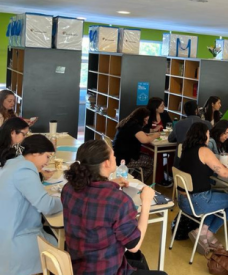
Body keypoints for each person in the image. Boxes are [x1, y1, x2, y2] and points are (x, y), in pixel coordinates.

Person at [62, 140, 165, 275]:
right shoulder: (118, 200)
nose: (115, 157)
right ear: (106, 163)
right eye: (113, 155)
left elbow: (92, 195)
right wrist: (146, 203)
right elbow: (134, 246)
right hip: (106, 269)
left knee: (138, 262)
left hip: (75, 266)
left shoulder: (68, 188)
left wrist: (110, 183)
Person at [0, 135, 62, 275]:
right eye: (47, 156)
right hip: (16, 243)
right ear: (35, 153)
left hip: (7, 234)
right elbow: (47, 206)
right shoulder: (24, 169)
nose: (47, 162)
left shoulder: (13, 163)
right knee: (60, 247)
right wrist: (66, 200)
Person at [178, 122, 228, 254]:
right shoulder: (204, 150)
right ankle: (209, 232)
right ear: (203, 135)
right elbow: (224, 173)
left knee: (220, 195)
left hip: (184, 200)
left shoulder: (186, 148)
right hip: (198, 202)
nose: (209, 137)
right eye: (208, 134)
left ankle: (202, 231)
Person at [113, 107, 160, 183]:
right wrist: (155, 135)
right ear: (141, 118)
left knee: (147, 156)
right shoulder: (134, 126)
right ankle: (139, 182)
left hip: (118, 154)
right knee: (152, 162)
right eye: (146, 120)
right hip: (125, 158)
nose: (147, 122)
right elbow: (145, 140)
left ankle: (134, 179)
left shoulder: (127, 122)